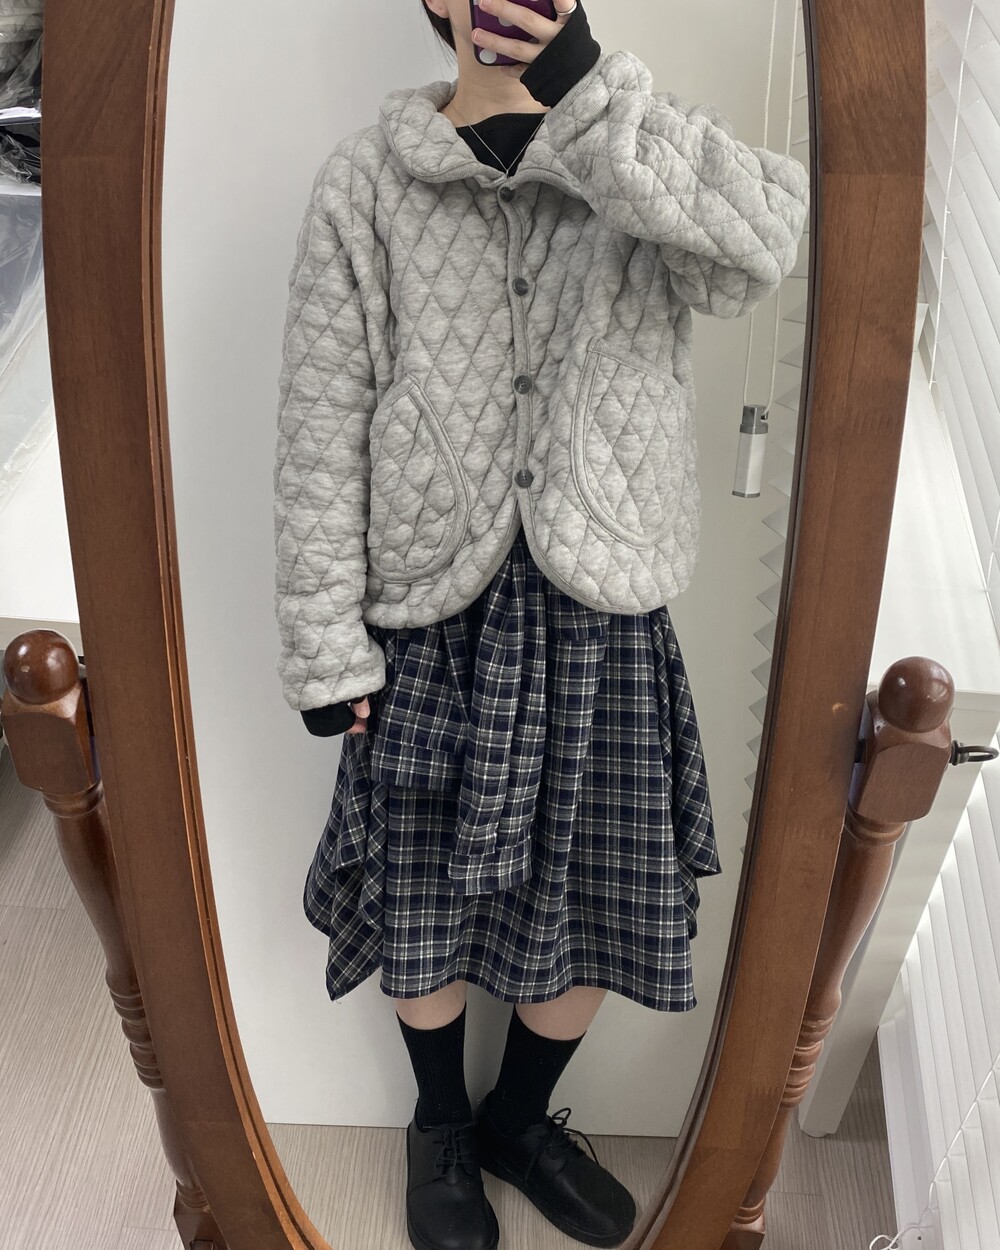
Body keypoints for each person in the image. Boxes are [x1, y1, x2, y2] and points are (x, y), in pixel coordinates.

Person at [272, 2, 809, 1247]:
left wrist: (587, 84)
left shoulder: (636, 147)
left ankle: (518, 1115)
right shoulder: (365, 181)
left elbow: (761, 244)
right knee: (420, 889)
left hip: (602, 603)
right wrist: (324, 644)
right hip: (429, 613)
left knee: (600, 889)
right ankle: (440, 1125)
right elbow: (318, 422)